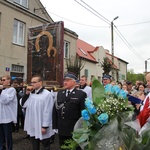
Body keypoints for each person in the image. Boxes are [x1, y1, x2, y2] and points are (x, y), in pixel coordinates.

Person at [52, 73, 87, 149]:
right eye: (64, 80)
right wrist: (55, 125)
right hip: (62, 127)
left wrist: (82, 128)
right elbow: (55, 110)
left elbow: (83, 113)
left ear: (74, 82)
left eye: (68, 81)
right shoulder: (60, 94)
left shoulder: (81, 94)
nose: (65, 82)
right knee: (63, 147)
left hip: (74, 128)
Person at [21, 74, 54, 150]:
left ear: (41, 82)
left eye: (34, 82)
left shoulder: (47, 94)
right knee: (35, 145)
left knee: (45, 145)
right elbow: (23, 105)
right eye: (32, 82)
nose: (32, 84)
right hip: (33, 123)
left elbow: (48, 111)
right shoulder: (31, 93)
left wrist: (44, 126)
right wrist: (26, 94)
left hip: (42, 123)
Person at [0, 75, 18, 150]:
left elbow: (6, 101)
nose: (2, 81)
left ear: (9, 81)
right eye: (1, 80)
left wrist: (1, 91)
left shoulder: (12, 90)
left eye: (4, 80)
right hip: (0, 116)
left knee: (8, 136)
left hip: (7, 117)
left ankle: (9, 148)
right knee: (0, 135)